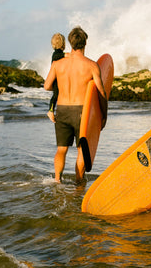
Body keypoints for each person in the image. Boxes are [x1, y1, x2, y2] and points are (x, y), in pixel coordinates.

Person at [44, 26, 107, 183]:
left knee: (61, 149)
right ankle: (79, 182)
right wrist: (103, 116)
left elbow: (47, 86)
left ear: (70, 43)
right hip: (81, 112)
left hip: (62, 110)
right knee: (81, 150)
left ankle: (57, 180)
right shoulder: (91, 65)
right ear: (85, 43)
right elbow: (101, 93)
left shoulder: (58, 64)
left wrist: (62, 87)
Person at [47, 33, 68, 123]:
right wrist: (66, 55)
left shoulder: (59, 53)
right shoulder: (56, 54)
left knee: (57, 95)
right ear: (64, 44)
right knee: (55, 95)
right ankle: (50, 111)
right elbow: (57, 57)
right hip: (55, 79)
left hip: (60, 78)